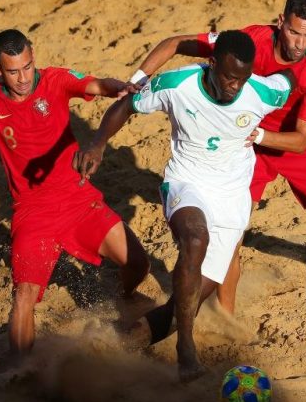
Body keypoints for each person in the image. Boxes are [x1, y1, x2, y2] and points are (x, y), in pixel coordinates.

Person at [131, 0, 306, 314]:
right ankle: (227, 318)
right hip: (246, 149)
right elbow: (177, 43)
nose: (299, 44)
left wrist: (259, 133)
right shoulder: (251, 40)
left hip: (289, 145)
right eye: (293, 32)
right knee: (231, 237)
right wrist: (137, 79)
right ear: (281, 23)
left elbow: (302, 140)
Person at [74, 30, 292, 381]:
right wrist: (98, 143)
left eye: (243, 78)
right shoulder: (177, 84)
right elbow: (127, 104)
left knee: (181, 308)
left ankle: (115, 346)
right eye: (229, 77)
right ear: (211, 63)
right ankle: (185, 351)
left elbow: (292, 76)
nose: (235, 87)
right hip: (187, 181)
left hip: (232, 201)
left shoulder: (263, 91)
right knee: (194, 239)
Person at [0, 29, 150, 359]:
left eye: (27, 66)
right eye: (13, 71)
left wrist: (122, 88)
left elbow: (98, 85)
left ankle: (119, 294)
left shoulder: (56, 80)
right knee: (23, 297)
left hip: (78, 200)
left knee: (139, 264)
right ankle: (20, 371)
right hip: (33, 212)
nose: (22, 78)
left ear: (33, 58)